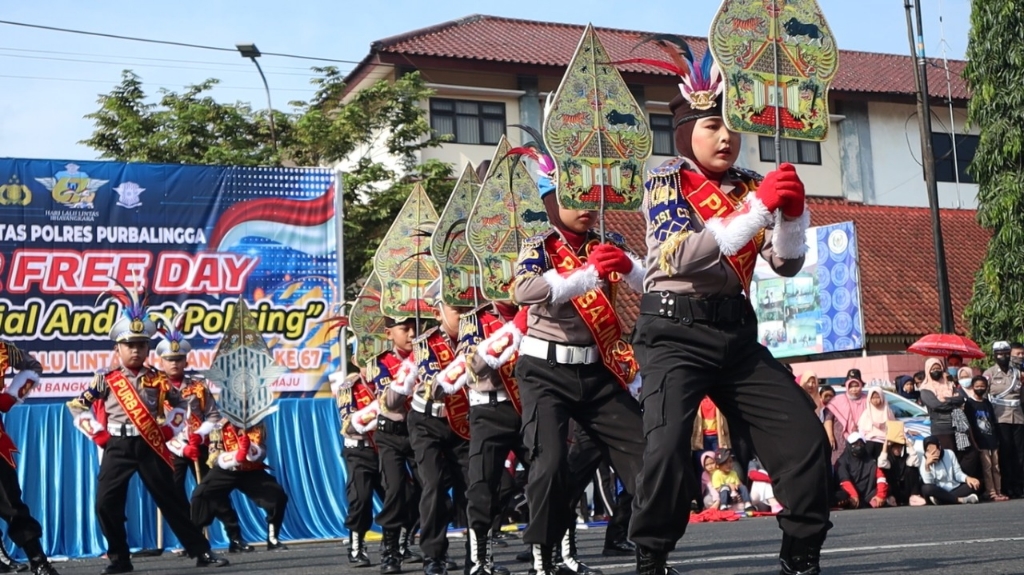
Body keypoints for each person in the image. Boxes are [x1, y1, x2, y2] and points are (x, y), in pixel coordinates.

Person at [627, 42, 830, 575]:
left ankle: (802, 550)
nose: (726, 136)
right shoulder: (666, 180)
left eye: (733, 126)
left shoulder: (743, 184)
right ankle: (651, 556)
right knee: (668, 447)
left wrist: (791, 215)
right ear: (686, 131)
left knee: (804, 435)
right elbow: (683, 255)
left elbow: (784, 266)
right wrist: (758, 209)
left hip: (737, 335)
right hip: (673, 330)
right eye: (713, 125)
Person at [512, 173, 646, 575]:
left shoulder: (610, 242)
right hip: (545, 369)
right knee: (550, 462)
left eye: (591, 196)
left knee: (647, 454)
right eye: (575, 197)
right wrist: (585, 275)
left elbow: (650, 281)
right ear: (552, 202)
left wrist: (625, 265)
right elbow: (523, 290)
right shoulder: (540, 245)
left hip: (598, 368)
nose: (586, 205)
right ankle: (544, 556)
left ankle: (652, 550)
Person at [66, 286, 228, 574]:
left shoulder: (159, 379)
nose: (137, 350)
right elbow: (78, 407)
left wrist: (170, 430)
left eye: (142, 345)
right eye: (130, 345)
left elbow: (181, 406)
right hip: (117, 444)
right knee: (105, 502)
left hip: (151, 445)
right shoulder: (106, 379)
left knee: (173, 500)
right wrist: (98, 434)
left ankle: (201, 551)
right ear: (118, 348)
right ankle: (119, 558)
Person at [391, 280, 471, 575]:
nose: (464, 315)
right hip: (427, 423)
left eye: (467, 308)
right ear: (438, 313)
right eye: (456, 309)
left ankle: (477, 556)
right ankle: (433, 556)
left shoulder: (481, 334)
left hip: (464, 423)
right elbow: (429, 384)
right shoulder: (425, 344)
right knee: (435, 486)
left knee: (478, 486)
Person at [156, 319, 250, 553]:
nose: (174, 363)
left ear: (185, 360)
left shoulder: (198, 386)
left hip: (202, 446)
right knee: (175, 494)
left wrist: (199, 435)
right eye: (169, 360)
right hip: (172, 450)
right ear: (162, 361)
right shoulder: (156, 388)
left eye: (178, 359)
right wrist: (181, 446)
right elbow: (155, 422)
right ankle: (192, 540)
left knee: (214, 490)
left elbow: (214, 415)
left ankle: (235, 537)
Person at [455, 298, 530, 575]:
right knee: (482, 485)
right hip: (490, 408)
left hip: (530, 405)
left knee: (551, 474)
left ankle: (549, 556)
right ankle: (479, 563)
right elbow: (474, 367)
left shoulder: (537, 308)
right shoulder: (475, 320)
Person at [0, 340, 60, 575]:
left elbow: (33, 367)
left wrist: (11, 395)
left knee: (11, 504)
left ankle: (38, 560)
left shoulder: (3, 349)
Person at [190, 419, 290, 552]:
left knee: (277, 496)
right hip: (225, 470)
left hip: (250, 470)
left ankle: (273, 538)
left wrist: (249, 449)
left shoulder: (255, 423)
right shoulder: (219, 423)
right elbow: (213, 453)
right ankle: (198, 541)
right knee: (201, 495)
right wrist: (196, 437)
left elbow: (261, 451)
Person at [374, 317, 425, 574]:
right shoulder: (380, 362)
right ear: (389, 333)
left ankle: (431, 548)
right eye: (404, 329)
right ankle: (390, 551)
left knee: (431, 488)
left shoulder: (429, 351)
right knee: (394, 491)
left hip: (420, 432)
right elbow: (390, 401)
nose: (412, 333)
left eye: (415, 327)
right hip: (391, 436)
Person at [332, 367, 384, 567]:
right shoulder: (351, 386)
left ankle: (395, 545)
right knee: (360, 499)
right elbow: (350, 424)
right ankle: (356, 547)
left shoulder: (391, 376)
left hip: (387, 449)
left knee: (403, 496)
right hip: (360, 451)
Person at [919, 357, 980, 479]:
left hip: (958, 427)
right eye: (933, 369)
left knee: (967, 455)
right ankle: (950, 485)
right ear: (927, 370)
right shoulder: (925, 389)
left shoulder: (949, 384)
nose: (936, 371)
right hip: (941, 429)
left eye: (938, 368)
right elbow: (936, 405)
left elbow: (960, 399)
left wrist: (947, 400)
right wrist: (953, 403)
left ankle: (963, 480)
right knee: (947, 458)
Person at [983, 341, 1023, 498]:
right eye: (1000, 354)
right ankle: (1007, 486)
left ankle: (1019, 485)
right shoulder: (990, 373)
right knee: (1005, 453)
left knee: (1019, 453)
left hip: (1018, 416)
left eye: (1006, 354)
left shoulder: (1017, 373)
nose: (1003, 357)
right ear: (994, 356)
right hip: (1000, 417)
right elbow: (984, 396)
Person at [962, 375, 1008, 501]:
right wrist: (974, 442)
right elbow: (969, 425)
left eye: (982, 386)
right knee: (987, 467)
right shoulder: (969, 404)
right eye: (977, 387)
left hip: (992, 440)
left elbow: (992, 421)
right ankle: (991, 492)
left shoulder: (987, 403)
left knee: (996, 467)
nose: (980, 389)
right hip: (980, 441)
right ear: (972, 387)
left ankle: (998, 490)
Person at [919, 436, 981, 505]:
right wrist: (927, 466)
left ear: (939, 448)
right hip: (938, 490)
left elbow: (957, 473)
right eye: (928, 451)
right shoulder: (924, 461)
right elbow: (929, 483)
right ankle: (961, 500)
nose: (932, 453)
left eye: (934, 450)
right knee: (926, 488)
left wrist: (967, 478)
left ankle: (942, 500)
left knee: (973, 485)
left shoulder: (949, 453)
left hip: (953, 488)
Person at [834, 433, 888, 509]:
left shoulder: (871, 460)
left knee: (887, 490)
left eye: (860, 444)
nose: (858, 446)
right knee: (841, 496)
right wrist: (854, 495)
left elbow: (881, 477)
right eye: (855, 444)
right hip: (850, 493)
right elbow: (844, 481)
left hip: (868, 493)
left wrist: (880, 495)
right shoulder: (842, 461)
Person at [876, 422, 924, 507]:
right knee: (884, 469)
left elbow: (915, 462)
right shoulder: (889, 459)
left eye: (900, 447)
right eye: (895, 447)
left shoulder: (906, 458)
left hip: (906, 488)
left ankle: (914, 496)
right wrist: (886, 445)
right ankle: (890, 497)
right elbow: (881, 463)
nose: (898, 449)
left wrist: (908, 444)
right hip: (894, 489)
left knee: (912, 468)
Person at [823, 372, 867, 463]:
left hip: (862, 438)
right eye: (851, 386)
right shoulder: (837, 400)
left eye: (856, 386)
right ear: (847, 386)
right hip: (840, 440)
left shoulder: (867, 399)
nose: (854, 389)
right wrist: (830, 435)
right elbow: (828, 418)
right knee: (840, 466)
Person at [856, 387, 894, 459]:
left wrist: (906, 430)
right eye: (873, 398)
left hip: (884, 442)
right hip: (870, 442)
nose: (875, 400)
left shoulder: (887, 411)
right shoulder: (867, 413)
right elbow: (861, 429)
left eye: (877, 397)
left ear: (882, 397)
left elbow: (894, 425)